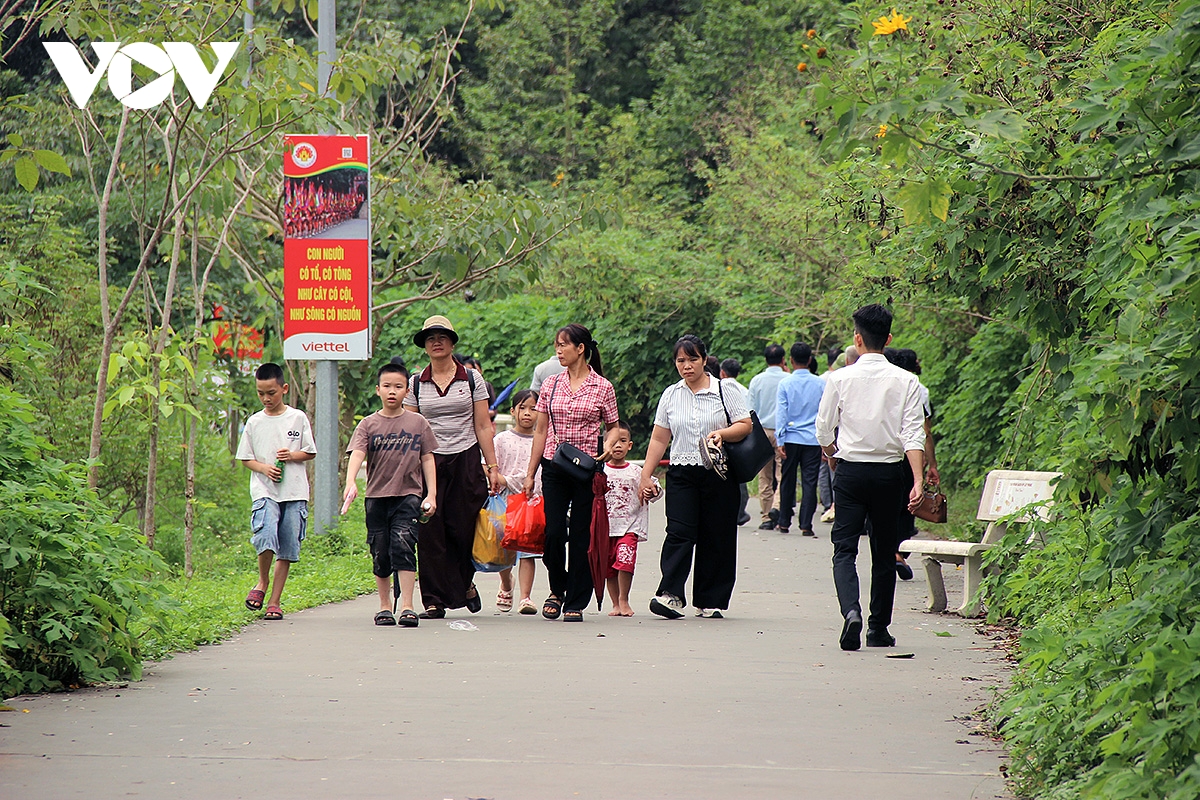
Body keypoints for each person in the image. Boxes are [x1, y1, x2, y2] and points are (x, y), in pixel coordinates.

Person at [816, 304, 925, 650]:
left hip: (850, 472)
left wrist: (832, 454)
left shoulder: (839, 378)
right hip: (891, 474)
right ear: (889, 339)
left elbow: (822, 428)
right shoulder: (908, 381)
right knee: (883, 550)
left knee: (844, 549)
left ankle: (851, 612)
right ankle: (878, 628)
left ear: (857, 339)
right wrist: (918, 480)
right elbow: (913, 434)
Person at [641, 334, 752, 620]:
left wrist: (721, 434)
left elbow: (745, 425)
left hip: (718, 471)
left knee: (717, 534)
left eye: (692, 359)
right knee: (679, 532)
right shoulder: (671, 394)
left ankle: (711, 598)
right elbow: (659, 438)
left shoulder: (724, 389)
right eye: (681, 360)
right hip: (681, 471)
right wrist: (645, 475)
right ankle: (671, 594)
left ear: (704, 360)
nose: (686, 366)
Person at [404, 315, 506, 619]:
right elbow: (410, 428)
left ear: (451, 342)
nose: (436, 342)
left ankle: (465, 585)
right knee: (431, 532)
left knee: (463, 529)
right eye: (430, 338)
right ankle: (433, 600)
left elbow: (482, 425)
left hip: (466, 459)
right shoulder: (415, 382)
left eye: (442, 337)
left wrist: (493, 466)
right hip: (428, 461)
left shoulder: (472, 380)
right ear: (424, 346)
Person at [524, 324, 620, 623]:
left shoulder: (602, 386)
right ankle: (558, 588)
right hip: (554, 465)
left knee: (581, 535)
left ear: (581, 348)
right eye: (556, 344)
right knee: (553, 533)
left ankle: (576, 600)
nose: (558, 350)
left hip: (586, 469)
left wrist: (606, 446)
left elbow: (614, 425)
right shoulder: (550, 384)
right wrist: (530, 473)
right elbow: (540, 430)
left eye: (564, 345)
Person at [341, 362, 438, 627]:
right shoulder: (368, 425)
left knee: (404, 546)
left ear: (407, 391)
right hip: (376, 497)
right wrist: (351, 481)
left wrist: (432, 495)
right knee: (380, 551)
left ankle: (407, 605)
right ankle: (385, 606)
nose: (392, 391)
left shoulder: (418, 423)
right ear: (378, 390)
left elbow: (428, 458)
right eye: (387, 386)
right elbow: (358, 454)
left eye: (398, 386)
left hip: (408, 495)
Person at [236, 362, 317, 621]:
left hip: (294, 492)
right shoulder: (254, 422)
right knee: (266, 533)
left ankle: (274, 601)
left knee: (287, 547)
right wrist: (264, 468)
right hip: (265, 490)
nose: (266, 398)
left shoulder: (297, 417)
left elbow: (310, 451)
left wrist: (292, 455)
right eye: (261, 393)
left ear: (283, 389)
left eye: (271, 392)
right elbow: (246, 458)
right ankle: (262, 582)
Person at [885, 347, 940, 581]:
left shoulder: (881, 385)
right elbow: (924, 430)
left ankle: (888, 553)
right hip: (910, 454)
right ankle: (898, 551)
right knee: (907, 504)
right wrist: (931, 463)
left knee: (884, 506)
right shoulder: (919, 389)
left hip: (884, 454)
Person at [602, 421, 662, 616]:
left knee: (625, 561)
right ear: (605, 443)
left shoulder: (637, 472)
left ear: (630, 445)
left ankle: (624, 599)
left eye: (623, 441)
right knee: (609, 568)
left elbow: (655, 488)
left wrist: (651, 492)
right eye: (613, 441)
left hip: (630, 527)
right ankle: (615, 603)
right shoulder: (599, 471)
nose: (617, 445)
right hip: (606, 528)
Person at [492, 389, 542, 614]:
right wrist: (499, 479)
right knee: (504, 548)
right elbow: (488, 464)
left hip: (532, 501)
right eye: (522, 408)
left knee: (528, 550)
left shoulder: (543, 441)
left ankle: (526, 597)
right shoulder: (502, 439)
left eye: (533, 408)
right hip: (506, 500)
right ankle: (506, 583)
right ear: (513, 411)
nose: (527, 413)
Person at [774, 342, 825, 536]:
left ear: (791, 361)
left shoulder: (785, 383)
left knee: (787, 480)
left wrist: (780, 439)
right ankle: (806, 524)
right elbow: (824, 413)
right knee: (809, 482)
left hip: (791, 438)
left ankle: (784, 521)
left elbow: (782, 413)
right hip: (812, 439)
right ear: (810, 360)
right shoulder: (821, 383)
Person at [747, 344, 788, 530]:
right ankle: (778, 507)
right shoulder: (788, 379)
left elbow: (750, 410)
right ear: (783, 360)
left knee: (764, 476)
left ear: (765, 360)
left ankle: (765, 517)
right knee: (782, 474)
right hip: (783, 433)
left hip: (762, 432)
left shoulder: (757, 380)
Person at [720, 357, 753, 526]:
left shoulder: (720, 389)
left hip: (725, 435)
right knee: (739, 473)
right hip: (742, 435)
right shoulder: (744, 390)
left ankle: (735, 512)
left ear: (722, 372)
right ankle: (740, 511)